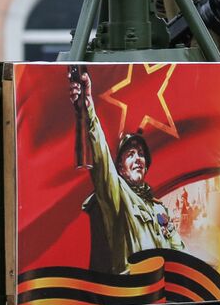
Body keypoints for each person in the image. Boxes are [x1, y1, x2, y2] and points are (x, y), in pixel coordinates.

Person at [69, 70, 183, 274]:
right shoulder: (118, 195)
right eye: (130, 154)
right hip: (132, 293)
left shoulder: (158, 210)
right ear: (120, 167)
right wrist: (88, 107)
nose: (138, 158)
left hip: (164, 295)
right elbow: (102, 160)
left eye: (141, 155)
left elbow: (177, 249)